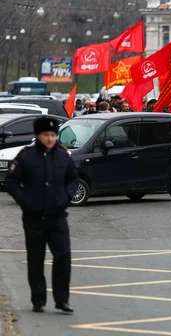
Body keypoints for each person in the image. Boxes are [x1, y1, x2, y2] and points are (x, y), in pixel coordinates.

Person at [5, 117, 77, 314]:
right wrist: (25, 201)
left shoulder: (63, 156)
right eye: (46, 135)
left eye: (53, 135)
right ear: (38, 135)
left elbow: (73, 179)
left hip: (58, 217)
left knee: (63, 256)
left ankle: (62, 300)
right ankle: (38, 299)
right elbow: (11, 182)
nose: (50, 139)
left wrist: (66, 196)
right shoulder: (25, 156)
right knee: (36, 259)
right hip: (34, 218)